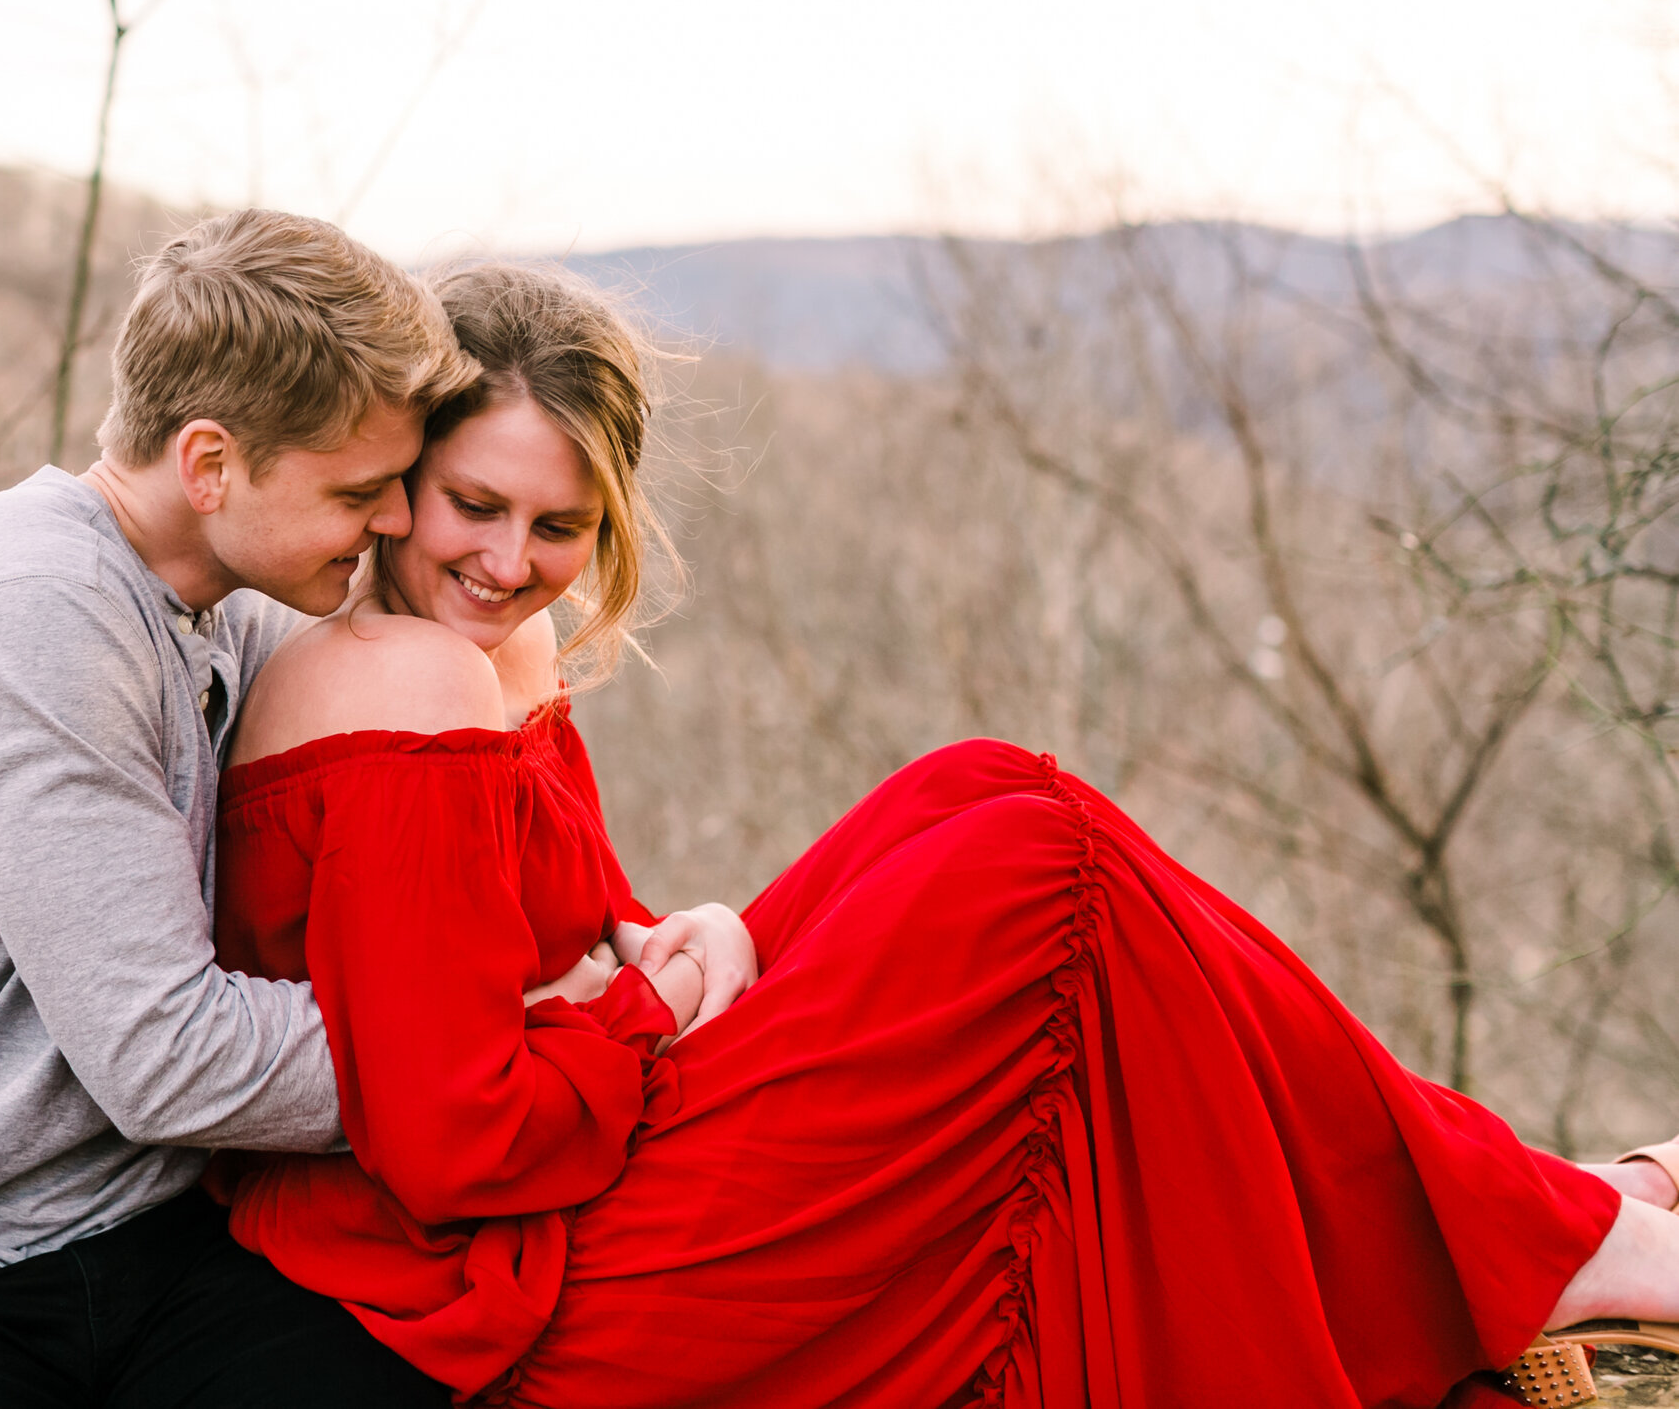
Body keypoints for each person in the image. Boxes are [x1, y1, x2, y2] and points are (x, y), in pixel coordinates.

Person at [207, 260, 1679, 1409]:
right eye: (475, 505)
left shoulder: (477, 648)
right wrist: (655, 995)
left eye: (559, 526)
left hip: (572, 1135)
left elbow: (548, 925)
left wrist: (655, 938)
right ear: (397, 479)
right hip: (501, 1275)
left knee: (981, 785)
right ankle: (1557, 1228)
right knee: (1032, 878)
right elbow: (450, 1141)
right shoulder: (399, 682)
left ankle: (1517, 1204)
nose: (510, 563)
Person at [0, 209, 477, 1409]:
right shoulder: (33, 612)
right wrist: (490, 1045)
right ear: (208, 464)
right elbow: (169, 1060)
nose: (395, 518)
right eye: (362, 488)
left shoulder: (233, 605)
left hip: (157, 1247)